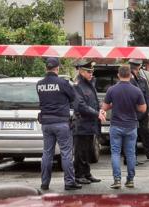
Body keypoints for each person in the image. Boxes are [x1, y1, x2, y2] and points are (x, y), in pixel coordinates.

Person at [36, 57, 82, 191]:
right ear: (57, 68)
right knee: (66, 153)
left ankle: (45, 183)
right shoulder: (63, 83)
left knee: (47, 153)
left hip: (46, 123)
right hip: (61, 122)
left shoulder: (39, 84)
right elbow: (74, 98)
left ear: (46, 68)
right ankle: (69, 182)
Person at [102, 64, 147, 189]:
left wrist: (112, 104)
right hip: (131, 125)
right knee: (130, 153)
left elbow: (104, 107)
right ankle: (130, 180)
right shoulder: (136, 90)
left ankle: (117, 180)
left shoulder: (112, 89)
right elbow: (143, 109)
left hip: (116, 125)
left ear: (118, 75)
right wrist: (134, 106)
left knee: (115, 153)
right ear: (130, 75)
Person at [72, 60, 106, 185]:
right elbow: (80, 105)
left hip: (91, 123)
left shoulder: (90, 83)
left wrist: (101, 110)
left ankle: (86, 173)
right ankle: (79, 175)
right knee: (80, 151)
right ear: (81, 71)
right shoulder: (77, 85)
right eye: (88, 71)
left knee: (87, 150)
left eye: (92, 71)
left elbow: (94, 102)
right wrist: (96, 113)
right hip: (82, 123)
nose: (91, 73)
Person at [129, 59, 149, 160]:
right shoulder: (129, 80)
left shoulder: (142, 80)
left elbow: (148, 97)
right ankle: (133, 156)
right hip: (132, 112)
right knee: (132, 135)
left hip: (142, 113)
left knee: (146, 133)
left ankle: (148, 153)